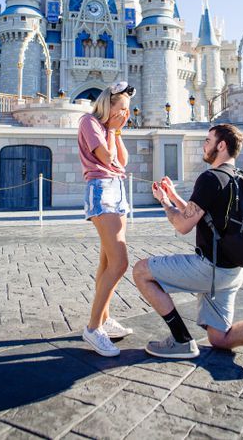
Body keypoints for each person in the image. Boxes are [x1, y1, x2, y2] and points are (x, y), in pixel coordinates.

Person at [133, 123, 243, 362]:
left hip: (209, 269)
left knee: (141, 270)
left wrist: (164, 203)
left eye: (208, 141)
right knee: (220, 338)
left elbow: (182, 225)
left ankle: (181, 339)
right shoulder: (236, 178)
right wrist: (173, 196)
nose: (204, 145)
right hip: (232, 271)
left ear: (221, 145)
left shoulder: (210, 178)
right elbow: (201, 213)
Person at [78, 81, 135, 357]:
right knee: (120, 262)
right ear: (107, 104)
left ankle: (103, 319)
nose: (125, 113)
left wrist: (117, 130)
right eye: (121, 108)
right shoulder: (89, 122)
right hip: (101, 189)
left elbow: (122, 162)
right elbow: (106, 158)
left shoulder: (110, 129)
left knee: (107, 262)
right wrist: (112, 129)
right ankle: (92, 328)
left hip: (118, 189)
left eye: (128, 109)